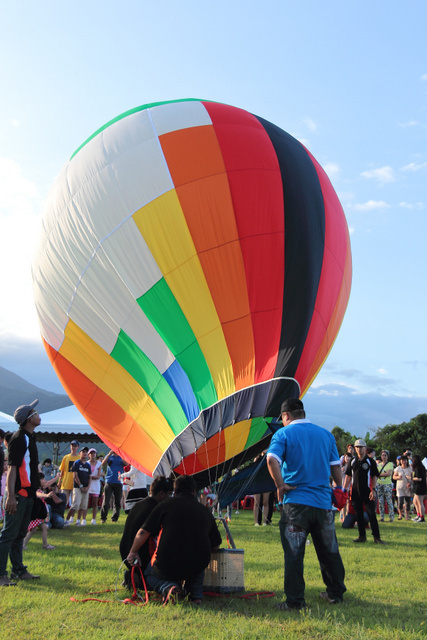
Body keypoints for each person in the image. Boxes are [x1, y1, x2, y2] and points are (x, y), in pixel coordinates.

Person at [266, 398, 346, 610]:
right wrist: (340, 489)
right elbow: (336, 467)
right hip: (323, 505)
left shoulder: (282, 434)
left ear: (286, 416)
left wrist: (280, 485)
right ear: (302, 412)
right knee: (329, 551)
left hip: (296, 506)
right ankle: (335, 594)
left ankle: (294, 602)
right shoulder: (326, 435)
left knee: (294, 555)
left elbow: (271, 459)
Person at [127, 475, 222, 604]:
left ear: (175, 491)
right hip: (198, 563)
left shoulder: (165, 505)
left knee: (149, 574)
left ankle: (168, 587)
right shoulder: (205, 511)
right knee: (197, 568)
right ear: (194, 492)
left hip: (167, 562)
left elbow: (143, 531)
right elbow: (215, 546)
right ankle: (196, 595)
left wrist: (133, 552)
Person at [0, 400, 41, 586]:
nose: (38, 415)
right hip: (18, 495)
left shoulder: (30, 437)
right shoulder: (18, 438)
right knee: (8, 535)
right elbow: (12, 469)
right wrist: (11, 496)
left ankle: (18, 570)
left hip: (28, 495)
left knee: (19, 534)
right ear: (28, 419)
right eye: (35, 412)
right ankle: (1, 574)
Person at [119, 476, 172, 588]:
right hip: (138, 556)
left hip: (124, 550)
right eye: (169, 494)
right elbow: (143, 533)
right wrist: (134, 552)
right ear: (162, 494)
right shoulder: (156, 509)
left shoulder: (139, 504)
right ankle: (141, 578)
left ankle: (135, 575)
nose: (170, 498)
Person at [343, 439, 385, 544]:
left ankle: (377, 537)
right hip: (355, 492)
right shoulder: (352, 461)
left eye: (361, 447)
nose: (359, 449)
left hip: (368, 491)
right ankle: (362, 536)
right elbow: (348, 476)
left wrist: (373, 489)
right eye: (357, 447)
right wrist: (343, 489)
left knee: (372, 514)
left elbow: (375, 476)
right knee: (359, 515)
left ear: (365, 448)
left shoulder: (370, 461)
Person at [64, 447, 91, 526]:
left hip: (86, 487)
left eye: (86, 452)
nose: (85, 453)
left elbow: (90, 477)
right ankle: (67, 520)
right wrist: (81, 486)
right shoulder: (77, 463)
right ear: (80, 453)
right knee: (76, 504)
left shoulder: (87, 465)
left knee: (83, 505)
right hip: (77, 487)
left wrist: (88, 487)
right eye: (83, 452)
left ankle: (78, 521)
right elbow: (75, 476)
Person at [100, 450, 124, 523]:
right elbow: (103, 464)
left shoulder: (121, 456)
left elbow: (126, 464)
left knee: (117, 501)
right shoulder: (109, 456)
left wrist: (121, 454)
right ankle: (103, 518)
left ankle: (115, 518)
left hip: (119, 481)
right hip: (109, 481)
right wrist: (109, 454)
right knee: (106, 500)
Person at [58, 441, 80, 512]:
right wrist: (59, 482)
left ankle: (71, 517)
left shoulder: (79, 458)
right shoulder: (66, 457)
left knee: (75, 502)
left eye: (75, 446)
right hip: (66, 482)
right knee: (64, 501)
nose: (73, 447)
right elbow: (62, 471)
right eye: (72, 446)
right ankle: (61, 515)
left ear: (78, 447)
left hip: (75, 483)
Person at [376, 450, 394, 522]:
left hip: (387, 483)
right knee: (380, 501)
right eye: (382, 455)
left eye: (385, 455)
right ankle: (382, 517)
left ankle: (391, 517)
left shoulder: (390, 464)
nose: (383, 456)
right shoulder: (379, 465)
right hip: (379, 483)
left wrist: (379, 475)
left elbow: (388, 473)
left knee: (389, 500)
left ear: (387, 456)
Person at [393, 456, 413, 520]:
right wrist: (398, 477)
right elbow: (394, 477)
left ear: (407, 461)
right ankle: (400, 515)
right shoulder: (398, 468)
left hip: (407, 487)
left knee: (407, 502)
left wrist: (410, 483)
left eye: (404, 460)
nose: (403, 462)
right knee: (400, 501)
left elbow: (412, 478)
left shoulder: (410, 468)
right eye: (402, 460)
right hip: (400, 487)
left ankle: (407, 515)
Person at [87, 448, 102, 524]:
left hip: (96, 485)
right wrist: (92, 477)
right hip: (88, 485)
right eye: (91, 453)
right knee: (85, 503)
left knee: (95, 503)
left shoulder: (99, 463)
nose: (93, 455)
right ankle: (84, 518)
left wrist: (90, 477)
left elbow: (98, 476)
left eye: (94, 453)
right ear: (88, 455)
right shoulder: (86, 463)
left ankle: (93, 519)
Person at [411, 454, 426, 523]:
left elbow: (419, 478)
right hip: (417, 487)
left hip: (419, 487)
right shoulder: (421, 468)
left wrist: (411, 478)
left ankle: (422, 518)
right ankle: (418, 515)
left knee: (420, 503)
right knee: (415, 501)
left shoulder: (418, 469)